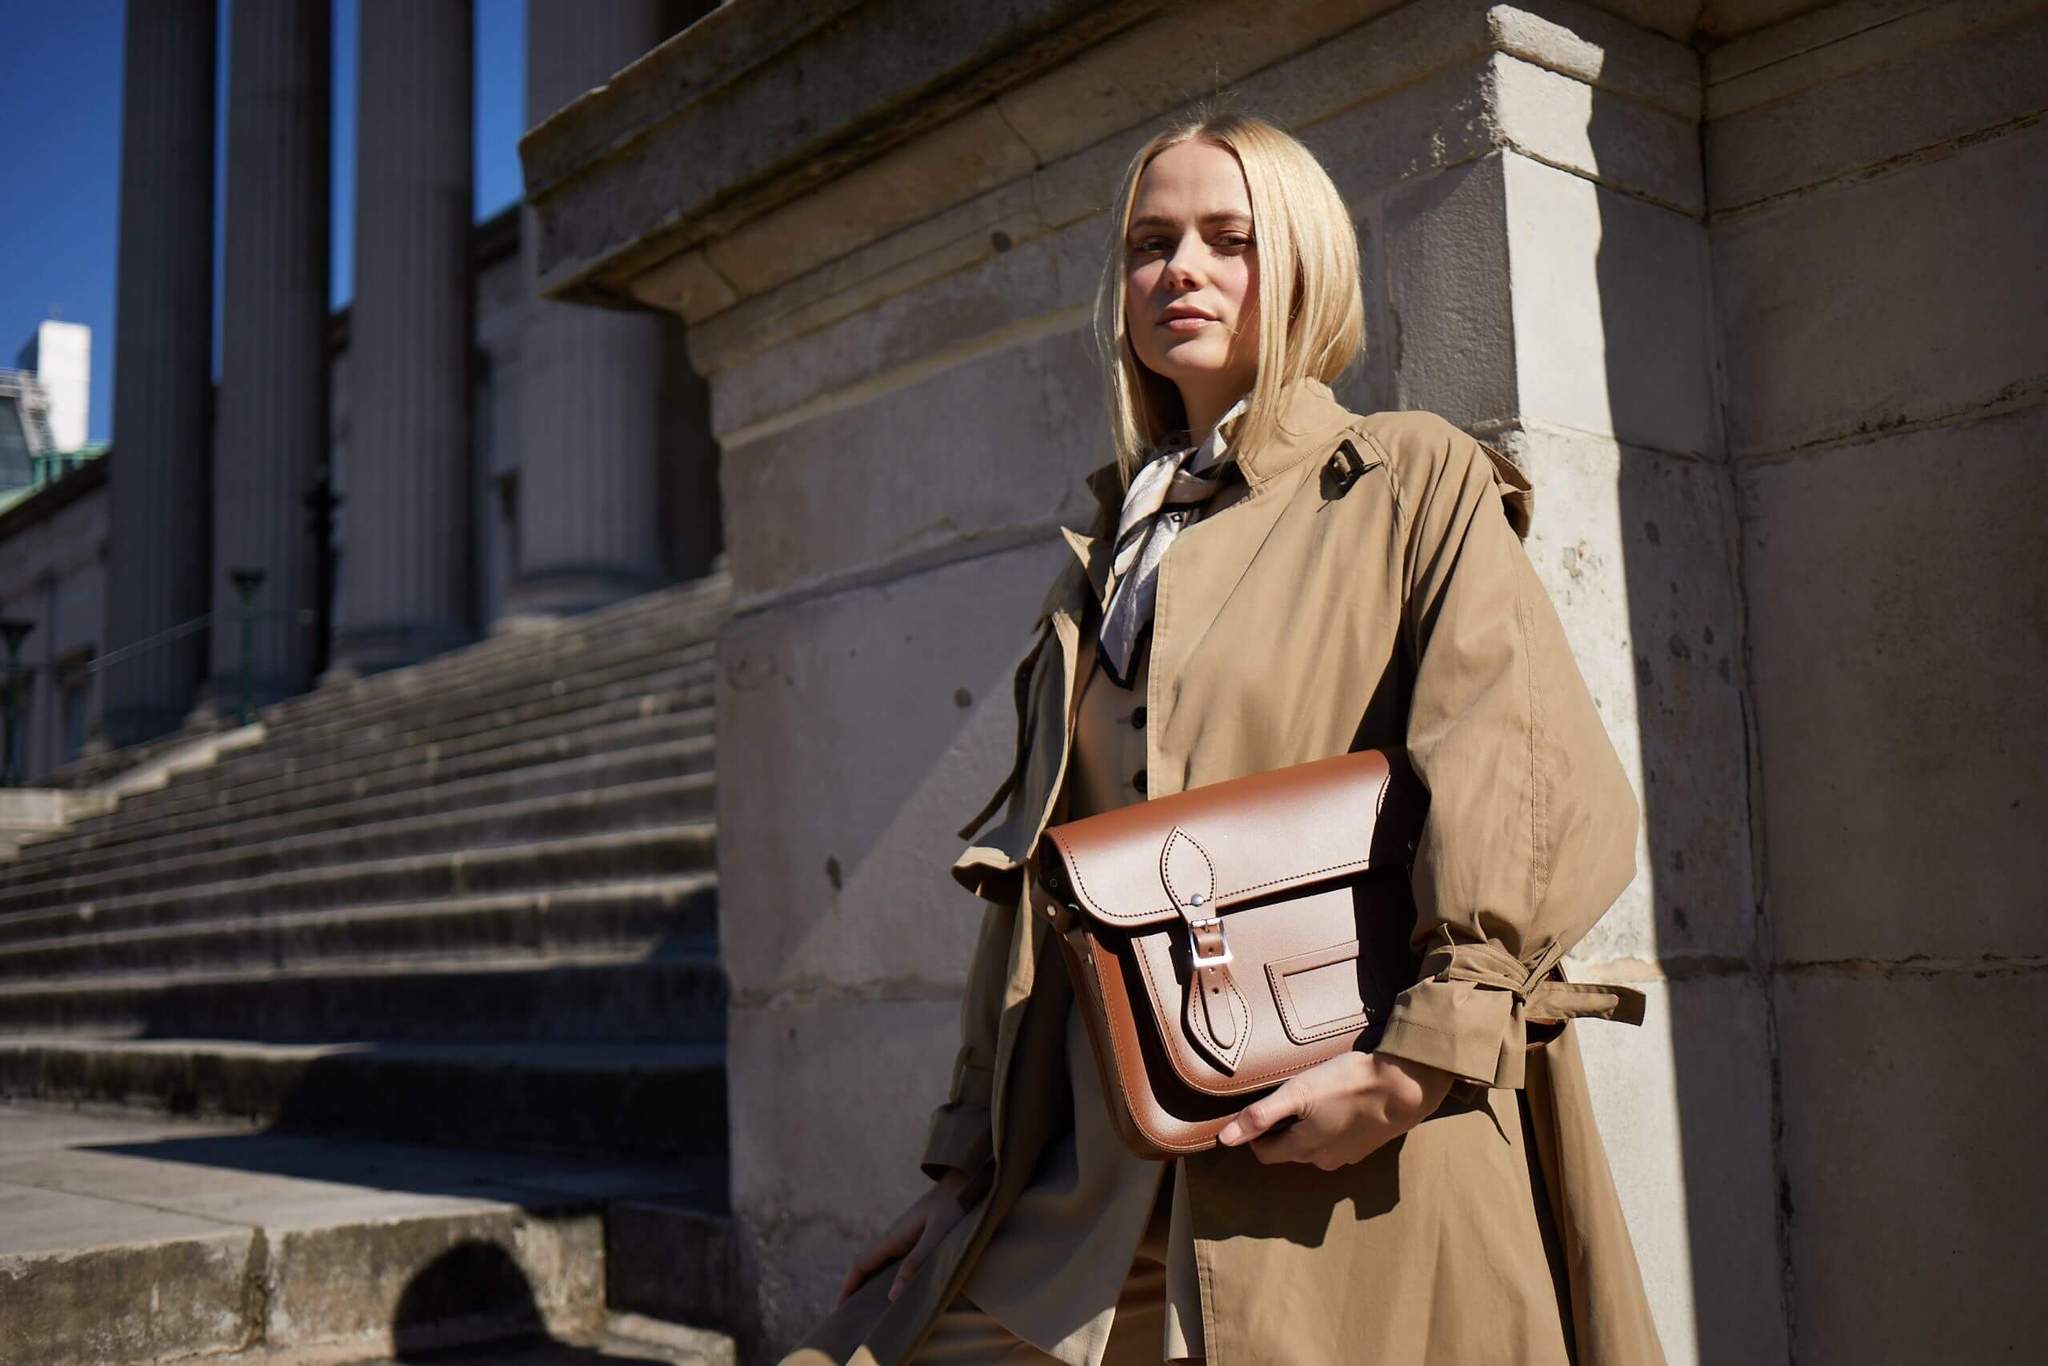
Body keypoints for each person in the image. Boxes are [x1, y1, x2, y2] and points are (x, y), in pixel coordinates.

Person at [782, 110, 1667, 1366]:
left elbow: (1519, 768)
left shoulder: (1403, 481)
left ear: (1301, 263)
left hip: (1349, 1153)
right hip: (1102, 1182)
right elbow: (1039, 904)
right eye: (1149, 242)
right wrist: (967, 1172)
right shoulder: (1104, 553)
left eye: (1226, 238)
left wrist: (1420, 1060)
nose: (1178, 269)